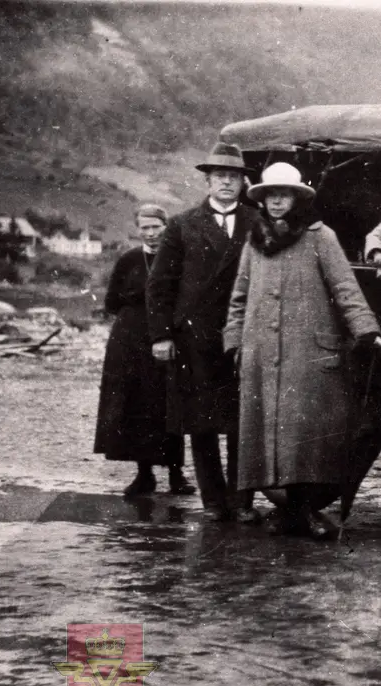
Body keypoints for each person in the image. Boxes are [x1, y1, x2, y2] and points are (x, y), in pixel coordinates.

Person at [223, 163, 381, 538]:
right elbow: (239, 297)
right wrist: (234, 342)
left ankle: (304, 510)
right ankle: (285, 511)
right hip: (261, 352)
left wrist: (367, 329)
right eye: (269, 195)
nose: (276, 201)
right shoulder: (255, 240)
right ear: (262, 199)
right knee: (269, 433)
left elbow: (345, 287)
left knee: (303, 436)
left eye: (284, 194)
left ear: (297, 197)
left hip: (307, 353)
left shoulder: (320, 237)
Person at [147, 141, 262, 523]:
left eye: (234, 176)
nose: (227, 183)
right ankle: (214, 502)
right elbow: (160, 284)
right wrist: (161, 336)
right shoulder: (182, 224)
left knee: (243, 422)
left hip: (243, 334)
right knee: (202, 423)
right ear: (208, 182)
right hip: (194, 338)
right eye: (220, 177)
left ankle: (241, 501)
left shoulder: (257, 222)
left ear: (244, 182)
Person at [94, 204, 196, 497]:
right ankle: (144, 475)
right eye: (145, 228)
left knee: (169, 405)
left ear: (166, 227)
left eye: (156, 227)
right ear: (138, 230)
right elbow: (111, 302)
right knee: (137, 405)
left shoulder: (180, 258)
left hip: (168, 339)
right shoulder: (129, 260)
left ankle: (177, 475)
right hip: (130, 342)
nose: (151, 234)